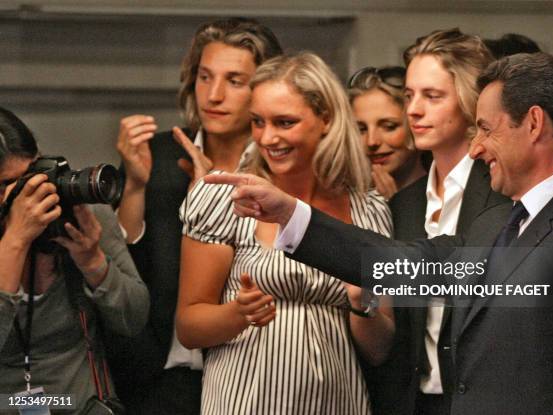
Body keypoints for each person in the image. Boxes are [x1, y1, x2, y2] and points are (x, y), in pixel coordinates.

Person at [205, 52, 553, 415]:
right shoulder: (495, 222)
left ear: (535, 124)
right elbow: (404, 264)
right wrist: (290, 213)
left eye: (486, 129)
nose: (476, 149)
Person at [176, 52, 395, 415]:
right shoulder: (223, 198)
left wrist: (362, 304)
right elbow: (188, 326)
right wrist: (238, 313)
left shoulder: (369, 211)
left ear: (325, 119)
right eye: (258, 122)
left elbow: (380, 350)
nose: (268, 137)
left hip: (340, 403)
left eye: (284, 122)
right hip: (245, 402)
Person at [107, 17, 282, 414]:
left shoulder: (279, 164)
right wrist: (134, 186)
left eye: (235, 81)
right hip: (159, 376)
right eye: (205, 77)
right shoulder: (160, 155)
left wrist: (214, 199)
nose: (214, 95)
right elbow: (123, 270)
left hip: (251, 374)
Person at [367, 29, 504, 415]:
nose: (413, 110)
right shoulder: (403, 206)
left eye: (432, 96)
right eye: (409, 96)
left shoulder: (502, 195)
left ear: (469, 102)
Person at [0, 107, 149, 414]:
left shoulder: (80, 216)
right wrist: (15, 240)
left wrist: (93, 260)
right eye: (9, 184)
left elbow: (134, 318)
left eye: (30, 176)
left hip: (82, 403)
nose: (29, 194)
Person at [348, 65, 427, 201]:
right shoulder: (344, 199)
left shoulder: (443, 194)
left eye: (389, 126)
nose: (372, 141)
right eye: (361, 129)